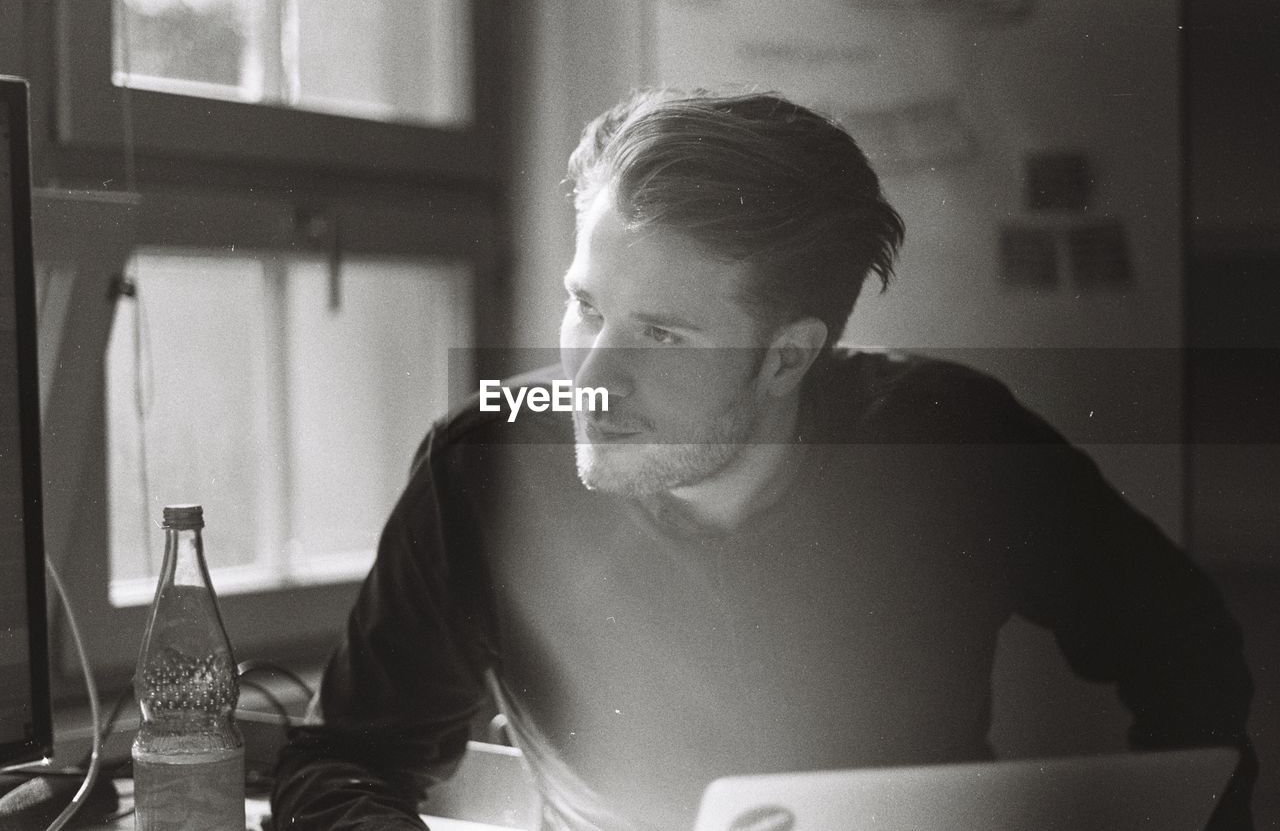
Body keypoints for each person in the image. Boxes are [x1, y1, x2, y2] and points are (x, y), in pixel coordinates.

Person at [271, 90, 1255, 830]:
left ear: (786, 354)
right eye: (584, 304)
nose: (590, 374)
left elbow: (1187, 650)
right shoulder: (483, 467)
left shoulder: (953, 443)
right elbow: (340, 760)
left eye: (659, 335)